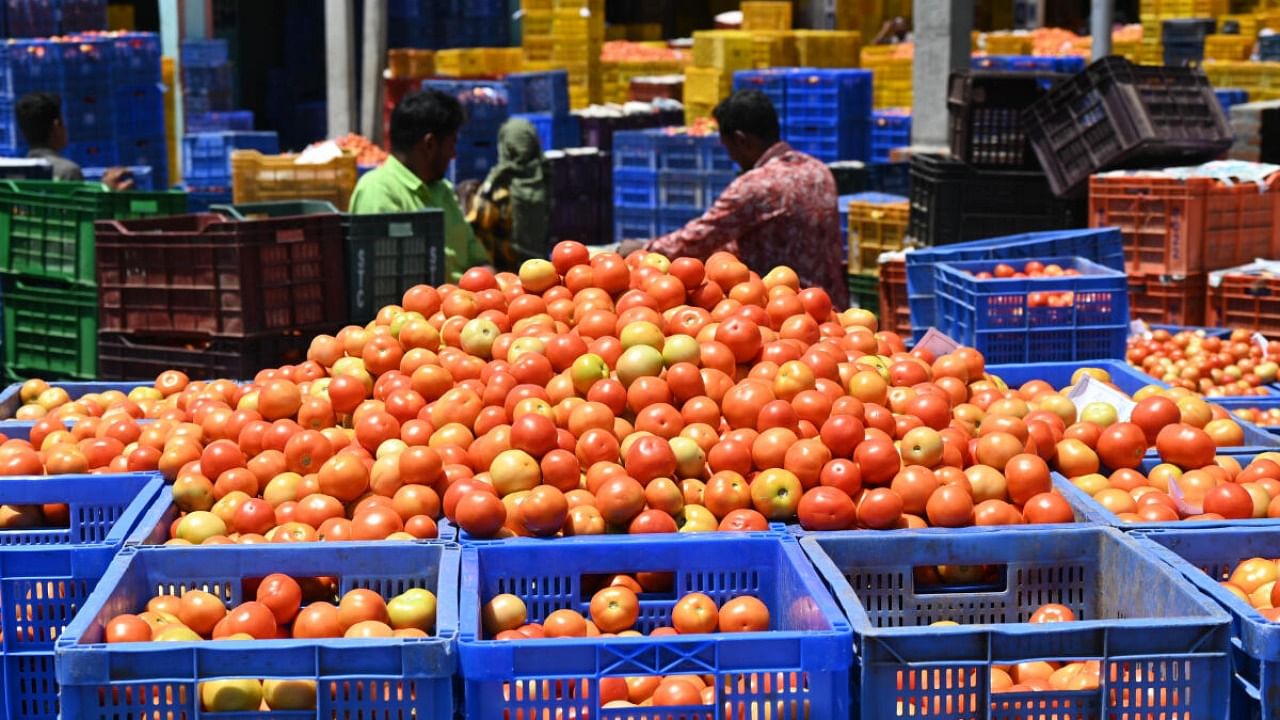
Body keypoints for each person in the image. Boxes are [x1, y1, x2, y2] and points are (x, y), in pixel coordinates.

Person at [620, 90, 848, 307]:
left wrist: (645, 248)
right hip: (830, 306)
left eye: (727, 146)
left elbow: (700, 237)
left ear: (741, 140)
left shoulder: (755, 186)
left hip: (784, 306)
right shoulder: (818, 170)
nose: (730, 156)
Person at [349, 88, 491, 283]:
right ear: (430, 144)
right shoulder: (378, 191)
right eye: (452, 144)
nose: (454, 155)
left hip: (466, 307)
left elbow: (478, 260)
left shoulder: (443, 190)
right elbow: (382, 283)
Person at [468, 117, 550, 271]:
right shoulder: (544, 181)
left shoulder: (498, 190)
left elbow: (473, 231)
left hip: (502, 277)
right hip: (539, 271)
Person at [16, 91, 132, 188]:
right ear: (56, 127)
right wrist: (106, 189)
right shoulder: (67, 172)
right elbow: (81, 211)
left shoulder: (19, 174)